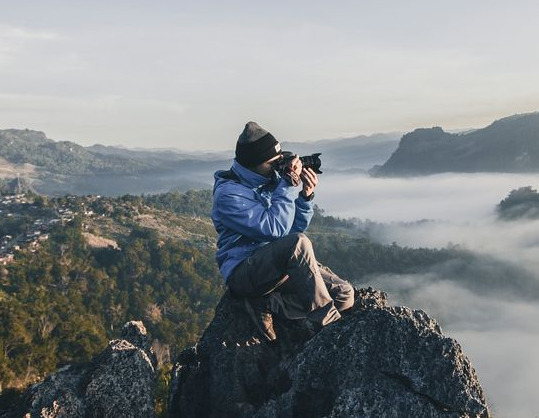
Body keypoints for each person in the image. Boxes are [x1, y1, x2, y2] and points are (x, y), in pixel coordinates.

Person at [211, 121, 355, 341]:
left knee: (344, 295)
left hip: (276, 268)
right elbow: (275, 230)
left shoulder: (269, 181)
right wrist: (286, 185)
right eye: (273, 162)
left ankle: (269, 304)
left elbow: (291, 231)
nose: (278, 166)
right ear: (254, 163)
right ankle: (328, 327)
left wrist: (305, 198)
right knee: (299, 243)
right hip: (245, 272)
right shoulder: (229, 195)